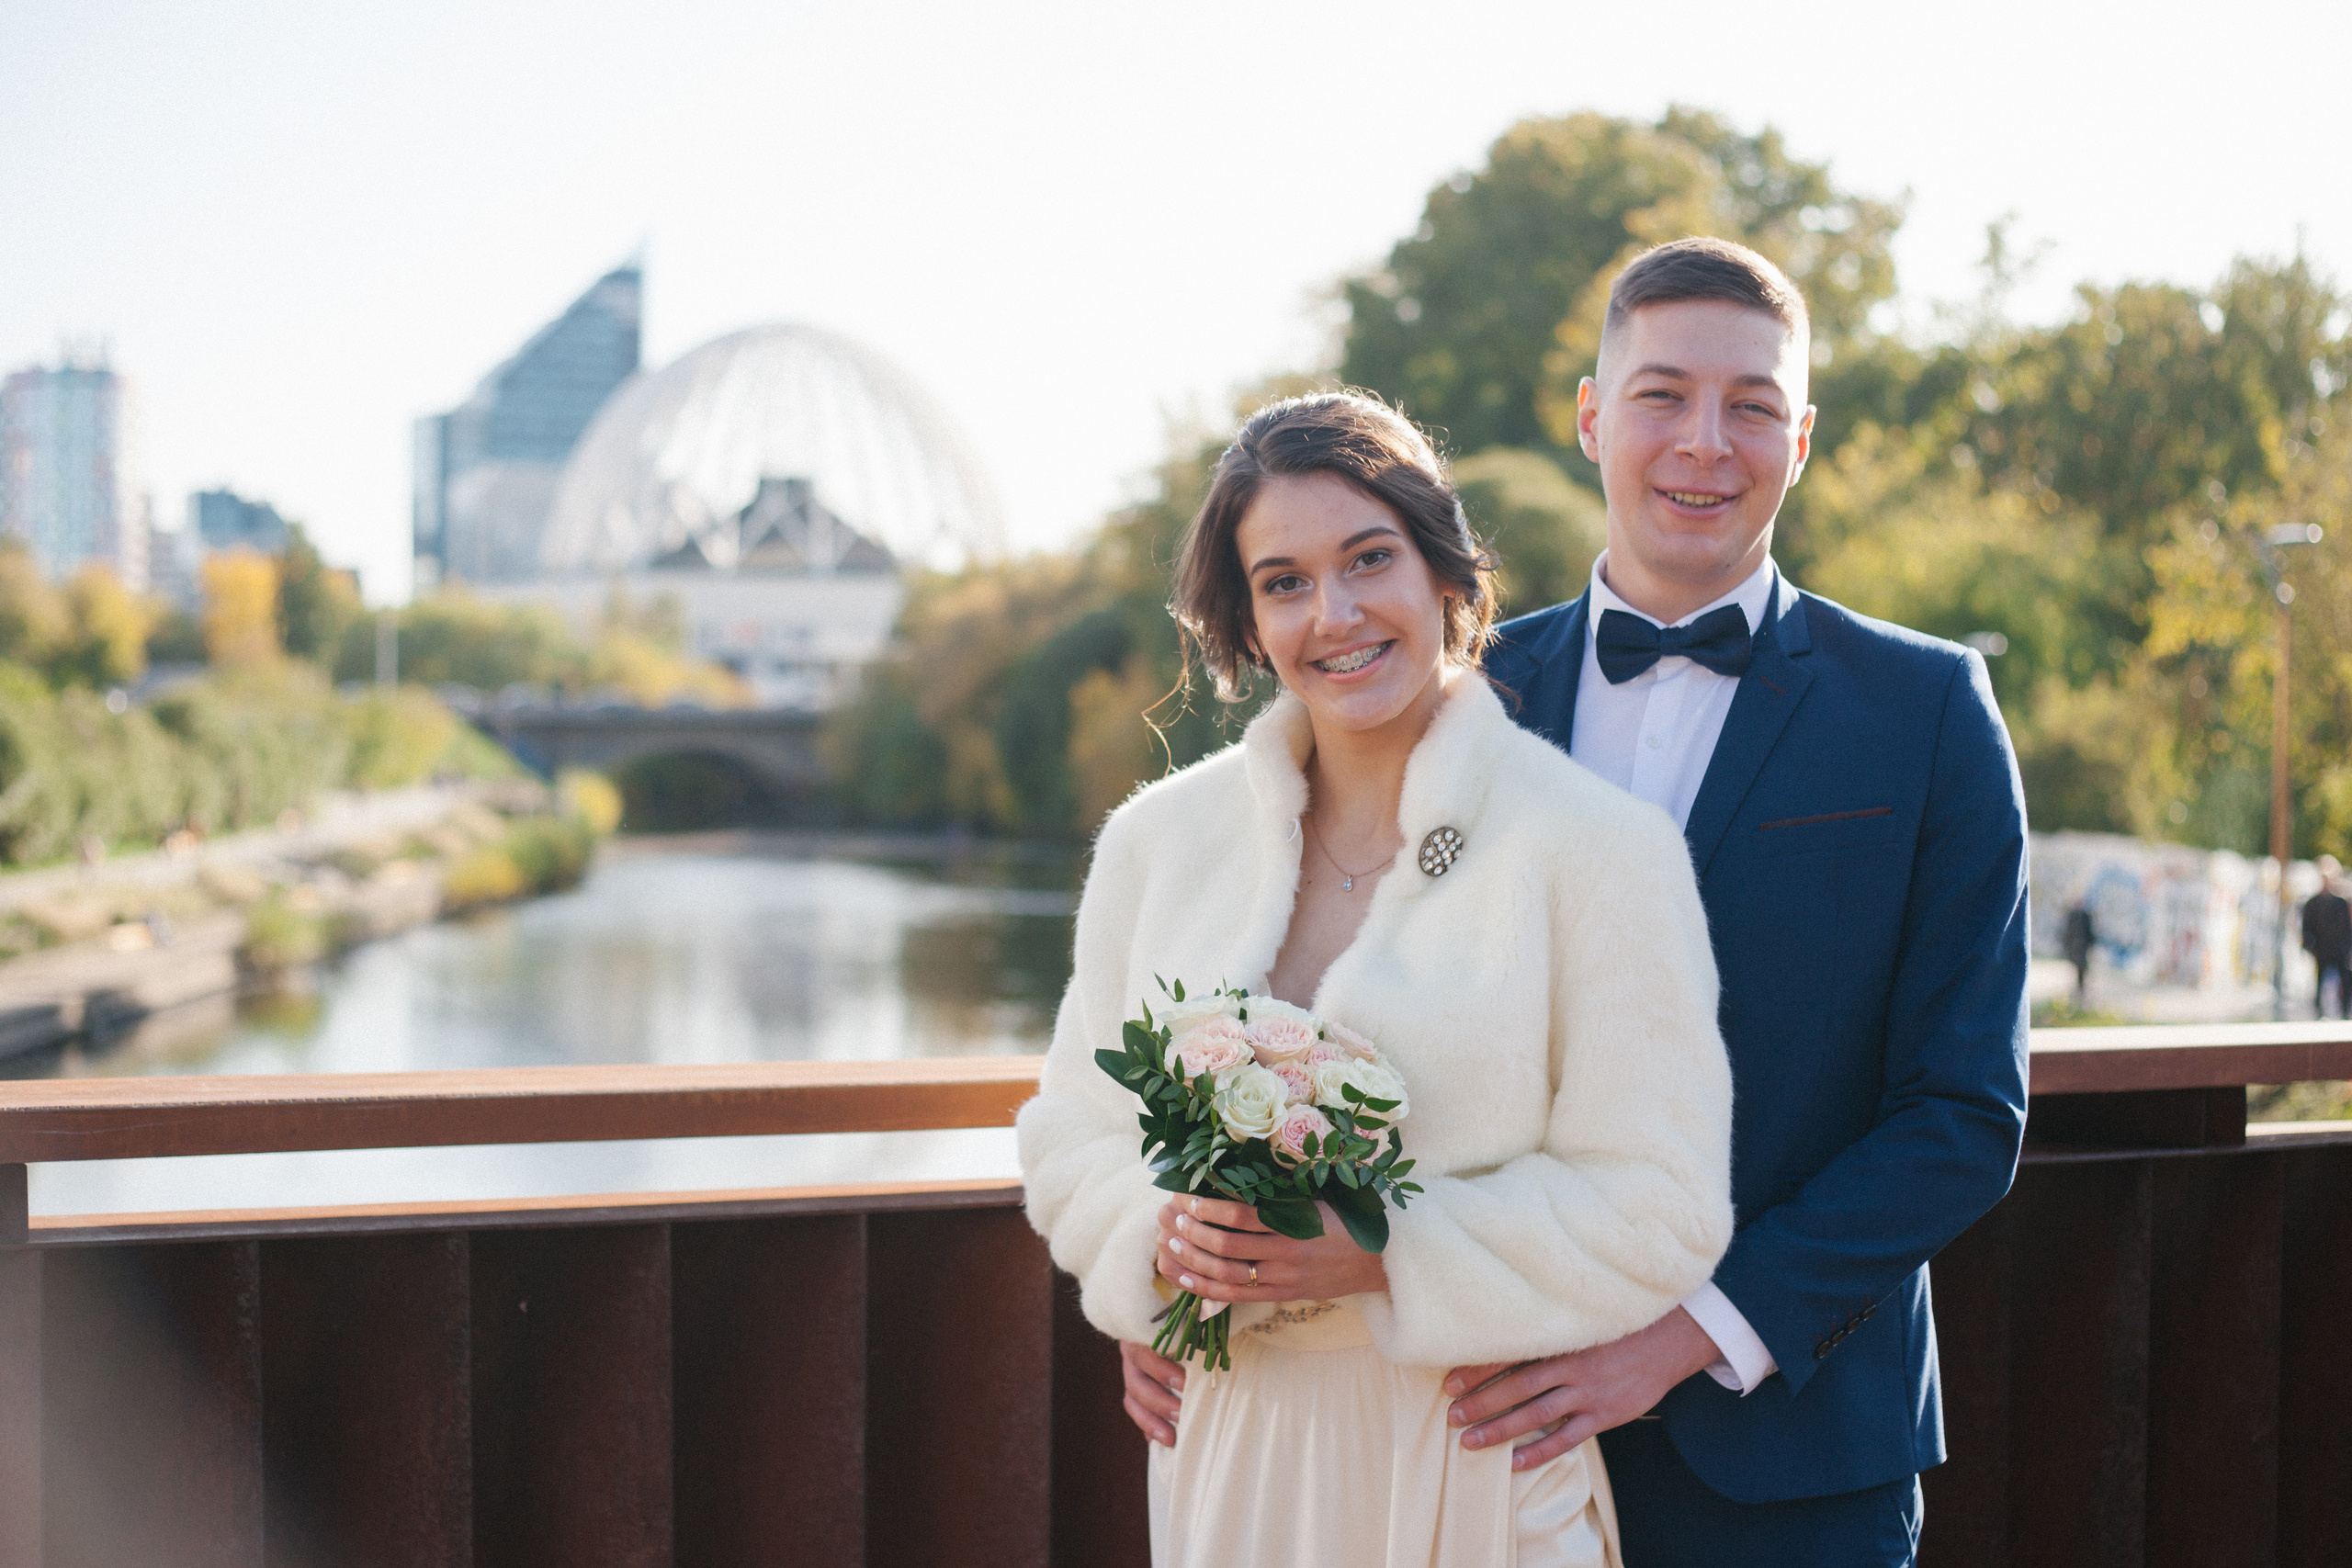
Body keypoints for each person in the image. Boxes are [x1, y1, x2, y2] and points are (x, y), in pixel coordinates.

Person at [1019, 392, 1736, 1566]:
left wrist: (1385, 1247)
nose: (1334, 615)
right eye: (1284, 582)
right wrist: (1157, 1253)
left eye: (1368, 559)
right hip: (1230, 1454)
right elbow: (1069, 1135)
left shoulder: (1599, 851)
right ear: (1246, 621)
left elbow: (1662, 1206)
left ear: (1443, 569)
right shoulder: (1157, 844)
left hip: (1473, 1453)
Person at [1452, 239, 2031, 1565]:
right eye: (1661, 394)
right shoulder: (1461, 700)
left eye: (1753, 405)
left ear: (1802, 438)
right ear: (1592, 416)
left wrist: (1681, 1338)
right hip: (1473, 1440)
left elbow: (1963, 1113)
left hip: (1796, 1469)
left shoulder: (1929, 712)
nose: (1705, 442)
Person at [2301, 856, 2350, 1019]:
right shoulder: (2313, 903)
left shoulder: (2341, 903)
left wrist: (2347, 947)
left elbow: (2346, 928)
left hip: (2339, 949)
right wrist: (2310, 946)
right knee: (2320, 981)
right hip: (2322, 949)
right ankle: (2319, 1012)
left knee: (2345, 979)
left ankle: (2344, 1012)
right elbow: (2307, 927)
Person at [2064, 903, 2097, 1004]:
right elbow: (2068, 931)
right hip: (2075, 947)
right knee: (2078, 969)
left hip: (2081, 947)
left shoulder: (2085, 915)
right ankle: (2079, 991)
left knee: (2081, 969)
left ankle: (2081, 990)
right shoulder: (2072, 915)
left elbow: (2089, 931)